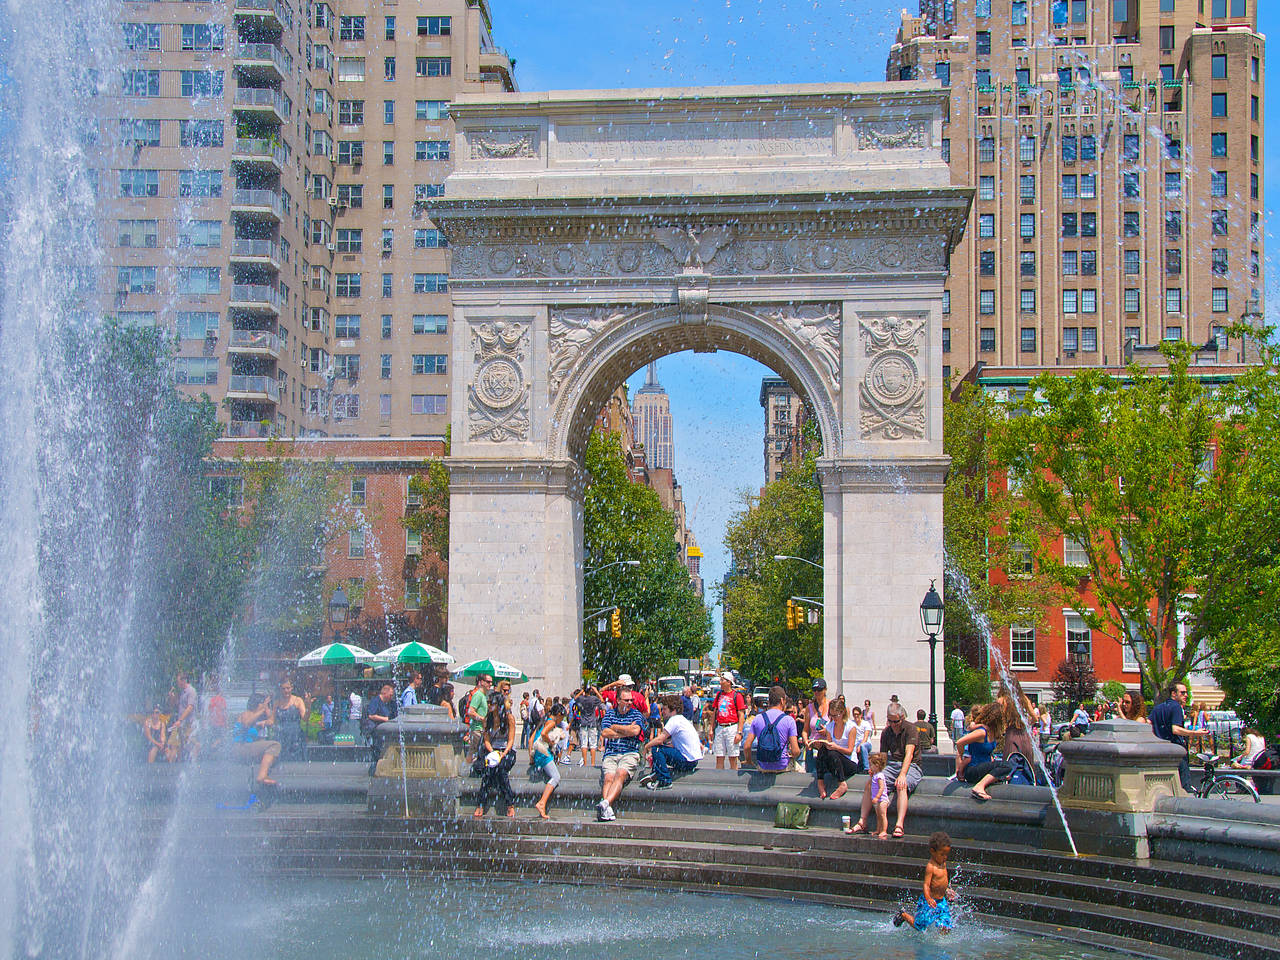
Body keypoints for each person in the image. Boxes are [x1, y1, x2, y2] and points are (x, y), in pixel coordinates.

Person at [848, 702, 922, 839]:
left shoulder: (911, 729)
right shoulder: (886, 732)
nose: (893, 724)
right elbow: (883, 756)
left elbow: (909, 754)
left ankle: (899, 825)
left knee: (901, 785)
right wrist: (875, 769)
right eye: (890, 721)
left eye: (896, 721)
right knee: (870, 784)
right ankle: (862, 821)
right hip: (892, 765)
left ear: (902, 717)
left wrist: (902, 775)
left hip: (911, 765)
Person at [1150, 681, 1211, 791]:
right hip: (1176, 750)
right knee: (1183, 785)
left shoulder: (1158, 708)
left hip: (1160, 750)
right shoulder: (1176, 707)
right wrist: (1196, 733)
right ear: (1174, 694)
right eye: (1182, 693)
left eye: (1186, 693)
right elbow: (1175, 729)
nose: (1186, 695)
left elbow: (1148, 723)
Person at [596, 689, 646, 822]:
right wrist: (626, 730)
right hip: (611, 753)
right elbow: (605, 733)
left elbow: (636, 731)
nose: (630, 702)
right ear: (618, 700)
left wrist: (615, 727)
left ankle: (605, 803)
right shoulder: (610, 713)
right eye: (627, 700)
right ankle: (607, 808)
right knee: (608, 778)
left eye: (631, 700)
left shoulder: (636, 714)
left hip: (630, 752)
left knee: (620, 773)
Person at [893, 832, 958, 932]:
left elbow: (942, 880)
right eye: (942, 854)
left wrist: (947, 890)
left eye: (946, 854)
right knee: (920, 926)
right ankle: (903, 915)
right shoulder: (930, 867)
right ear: (933, 851)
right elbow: (926, 885)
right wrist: (928, 898)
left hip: (941, 901)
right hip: (929, 901)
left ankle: (940, 944)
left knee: (946, 925)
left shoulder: (943, 863)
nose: (945, 857)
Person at [474, 680, 516, 818]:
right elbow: (486, 739)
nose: (489, 706)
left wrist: (502, 754)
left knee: (501, 769)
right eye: (488, 703)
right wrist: (492, 752)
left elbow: (510, 740)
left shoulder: (509, 718)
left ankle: (510, 804)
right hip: (492, 750)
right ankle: (481, 804)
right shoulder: (487, 719)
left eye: (492, 703)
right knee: (488, 771)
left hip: (506, 751)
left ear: (499, 705)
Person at [954, 702, 1014, 801]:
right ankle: (979, 787)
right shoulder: (982, 732)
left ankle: (987, 781)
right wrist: (959, 764)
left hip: (982, 768)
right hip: (973, 770)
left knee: (1006, 771)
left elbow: (987, 754)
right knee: (1007, 765)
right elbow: (960, 743)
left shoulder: (992, 733)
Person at [640, 695, 701, 789]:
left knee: (656, 748)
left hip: (687, 762)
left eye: (664, 709)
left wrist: (646, 747)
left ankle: (665, 781)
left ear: (673, 710)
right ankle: (656, 772)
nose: (662, 712)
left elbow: (660, 739)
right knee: (660, 750)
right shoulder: (682, 720)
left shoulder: (674, 720)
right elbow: (673, 744)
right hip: (692, 761)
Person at [742, 686, 800, 774]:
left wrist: (748, 761)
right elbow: (795, 751)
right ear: (782, 700)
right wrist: (791, 755)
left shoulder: (758, 718)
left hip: (763, 765)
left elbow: (746, 746)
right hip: (782, 765)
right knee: (801, 770)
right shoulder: (789, 720)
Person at [231, 694, 281, 786]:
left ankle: (262, 781)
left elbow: (271, 720)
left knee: (273, 755)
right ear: (258, 704)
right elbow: (246, 723)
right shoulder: (246, 713)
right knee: (274, 745)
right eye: (263, 704)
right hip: (240, 747)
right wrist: (262, 710)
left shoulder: (255, 718)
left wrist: (268, 712)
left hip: (247, 748)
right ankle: (262, 776)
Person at [811, 698, 857, 799]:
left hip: (849, 763)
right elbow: (828, 745)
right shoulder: (830, 726)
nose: (834, 718)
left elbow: (849, 751)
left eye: (836, 715)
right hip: (834, 762)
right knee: (823, 750)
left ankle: (842, 784)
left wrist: (836, 747)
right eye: (831, 715)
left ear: (842, 713)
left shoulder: (851, 727)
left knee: (833, 752)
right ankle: (820, 782)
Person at [530, 702, 567, 819]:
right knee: (556, 777)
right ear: (559, 714)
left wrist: (531, 757)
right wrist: (550, 742)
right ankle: (542, 802)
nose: (562, 720)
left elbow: (531, 739)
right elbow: (543, 733)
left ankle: (542, 803)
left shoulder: (544, 720)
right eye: (562, 717)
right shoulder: (551, 722)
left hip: (538, 753)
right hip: (544, 753)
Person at [710, 673, 747, 770]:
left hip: (732, 727)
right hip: (720, 727)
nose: (720, 683)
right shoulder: (719, 695)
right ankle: (719, 779)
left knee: (732, 757)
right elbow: (714, 712)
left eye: (722, 680)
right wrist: (711, 729)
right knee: (719, 757)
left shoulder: (737, 696)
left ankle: (733, 780)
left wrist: (739, 732)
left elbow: (741, 715)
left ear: (729, 682)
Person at [273, 677, 307, 760]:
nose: (286, 691)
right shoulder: (277, 703)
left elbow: (305, 718)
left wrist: (309, 705)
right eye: (283, 689)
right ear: (280, 690)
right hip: (281, 736)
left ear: (292, 688)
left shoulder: (298, 701)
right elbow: (272, 720)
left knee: (296, 759)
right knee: (282, 759)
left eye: (288, 688)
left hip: (295, 736)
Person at [168, 672, 200, 762]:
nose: (177, 684)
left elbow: (190, 707)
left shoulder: (191, 691)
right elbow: (177, 705)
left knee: (189, 743)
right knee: (174, 744)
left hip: (188, 723)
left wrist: (180, 720)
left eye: (178, 682)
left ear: (184, 680)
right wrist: (172, 698)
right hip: (180, 723)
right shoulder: (182, 692)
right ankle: (173, 766)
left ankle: (194, 763)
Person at [465, 674, 493, 762]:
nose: (490, 684)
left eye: (491, 682)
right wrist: (482, 719)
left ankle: (468, 770)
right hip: (477, 730)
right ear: (481, 682)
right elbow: (470, 712)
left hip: (481, 729)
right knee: (475, 752)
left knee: (476, 752)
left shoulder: (484, 696)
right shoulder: (478, 695)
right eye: (488, 682)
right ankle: (467, 771)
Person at [575, 686, 602, 766]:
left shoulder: (581, 699)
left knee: (584, 743)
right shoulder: (594, 699)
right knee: (593, 744)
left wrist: (581, 691)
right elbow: (602, 700)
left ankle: (585, 762)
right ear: (591, 690)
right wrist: (596, 691)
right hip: (592, 723)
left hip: (583, 722)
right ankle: (593, 763)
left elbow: (575, 698)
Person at [867, 751, 891, 838]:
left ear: (876, 765)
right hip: (877, 800)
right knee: (878, 816)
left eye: (871, 765)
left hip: (882, 799)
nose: (870, 767)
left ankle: (884, 830)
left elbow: (882, 787)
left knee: (882, 815)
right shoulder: (875, 775)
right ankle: (878, 829)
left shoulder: (880, 775)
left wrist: (877, 797)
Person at [205, 683, 229, 752]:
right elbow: (224, 711)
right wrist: (226, 722)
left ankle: (212, 749)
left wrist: (208, 720)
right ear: (221, 692)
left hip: (213, 722)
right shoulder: (222, 700)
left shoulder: (212, 699)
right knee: (221, 737)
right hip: (220, 722)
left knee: (214, 737)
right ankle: (215, 746)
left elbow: (209, 710)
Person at [852, 704, 874, 772]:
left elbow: (866, 737)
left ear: (861, 714)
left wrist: (859, 745)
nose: (856, 716)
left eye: (857, 714)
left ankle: (867, 768)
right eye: (854, 714)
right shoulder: (851, 723)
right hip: (855, 743)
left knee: (862, 746)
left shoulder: (866, 723)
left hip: (866, 744)